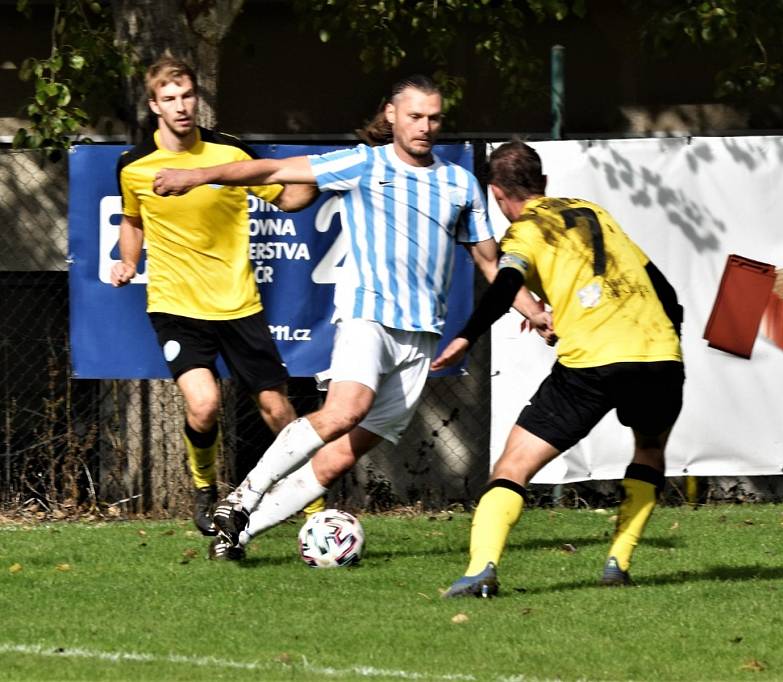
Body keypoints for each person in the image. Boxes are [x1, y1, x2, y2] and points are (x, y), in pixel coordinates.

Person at [153, 75, 547, 560]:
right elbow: (275, 168)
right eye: (415, 116)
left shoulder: (458, 182)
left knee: (339, 456)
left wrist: (534, 309)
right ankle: (242, 497)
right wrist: (196, 176)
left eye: (434, 118)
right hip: (368, 316)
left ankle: (235, 535)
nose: (425, 126)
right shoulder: (363, 164)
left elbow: (490, 262)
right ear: (391, 115)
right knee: (345, 409)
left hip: (420, 337)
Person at [432, 140, 684, 597]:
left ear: (497, 195)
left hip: (594, 362)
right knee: (648, 449)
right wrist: (669, 341)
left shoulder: (525, 231)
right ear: (543, 183)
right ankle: (617, 563)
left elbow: (505, 283)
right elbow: (662, 289)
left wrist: (467, 335)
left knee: (513, 465)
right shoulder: (593, 212)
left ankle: (480, 570)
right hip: (660, 357)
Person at [110, 56, 318, 536]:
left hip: (238, 303)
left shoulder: (230, 154)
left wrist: (324, 181)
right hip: (175, 305)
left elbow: (287, 197)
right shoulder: (134, 165)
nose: (180, 107)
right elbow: (133, 219)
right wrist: (127, 259)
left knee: (278, 410)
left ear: (196, 97)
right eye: (169, 98)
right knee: (202, 405)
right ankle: (205, 489)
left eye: (187, 96)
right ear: (154, 105)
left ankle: (314, 507)